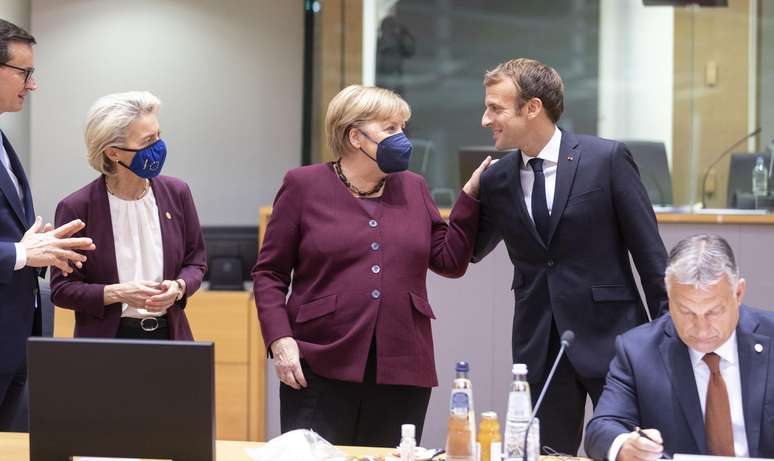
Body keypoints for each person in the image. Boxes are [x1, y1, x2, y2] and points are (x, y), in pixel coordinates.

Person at [253, 84, 491, 447]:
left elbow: (449, 261)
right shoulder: (303, 185)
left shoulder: (414, 187)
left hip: (403, 364)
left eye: (403, 128)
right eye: (391, 128)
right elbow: (269, 273)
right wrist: (280, 340)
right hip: (320, 361)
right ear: (354, 136)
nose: (404, 139)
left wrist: (469, 197)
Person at [472, 58, 668, 454]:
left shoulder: (607, 160)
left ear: (532, 108)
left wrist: (667, 335)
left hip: (614, 337)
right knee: (544, 454)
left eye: (496, 108)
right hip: (541, 346)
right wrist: (467, 197)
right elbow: (471, 251)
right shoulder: (496, 179)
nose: (485, 119)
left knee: (628, 451)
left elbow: (650, 256)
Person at [585, 234, 774, 460]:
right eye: (686, 311)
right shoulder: (637, 351)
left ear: (738, 293)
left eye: (714, 311)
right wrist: (626, 445)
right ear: (669, 296)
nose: (701, 329)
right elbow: (602, 428)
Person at [0, 18, 95, 431]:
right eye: (25, 72)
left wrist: (38, 247)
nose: (32, 84)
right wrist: (20, 253)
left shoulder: (3, 140)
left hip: (16, 339)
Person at [50, 91, 207, 340]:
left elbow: (196, 261)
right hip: (107, 343)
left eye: (159, 136)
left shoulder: (177, 193)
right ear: (113, 153)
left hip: (171, 335)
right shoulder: (77, 207)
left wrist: (179, 287)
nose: (158, 147)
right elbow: (62, 290)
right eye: (147, 142)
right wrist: (117, 293)